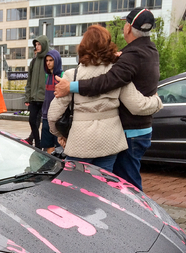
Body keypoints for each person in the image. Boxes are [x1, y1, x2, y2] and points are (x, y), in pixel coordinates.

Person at [54, 8, 159, 190]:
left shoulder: (129, 58)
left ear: (127, 28)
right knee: (107, 187)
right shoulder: (148, 51)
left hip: (130, 132)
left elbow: (107, 82)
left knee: (127, 187)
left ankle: (134, 217)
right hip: (125, 135)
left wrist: (71, 87)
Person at [24, 35, 50, 148]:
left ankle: (46, 145)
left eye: (39, 44)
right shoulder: (33, 62)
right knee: (32, 120)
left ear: (44, 45)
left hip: (45, 98)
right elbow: (29, 81)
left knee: (46, 125)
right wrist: (27, 97)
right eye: (36, 44)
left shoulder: (49, 60)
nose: (37, 46)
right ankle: (38, 144)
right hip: (34, 98)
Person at [40, 49, 63, 154]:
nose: (48, 63)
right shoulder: (46, 76)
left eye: (51, 60)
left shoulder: (62, 76)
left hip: (58, 116)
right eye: (47, 60)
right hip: (46, 115)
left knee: (59, 147)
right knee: (47, 145)